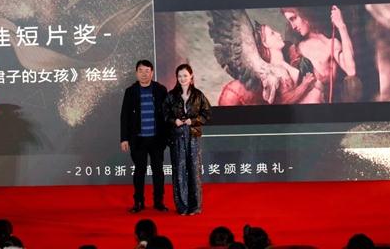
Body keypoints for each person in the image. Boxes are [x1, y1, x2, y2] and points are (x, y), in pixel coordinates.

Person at [218, 21, 316, 106]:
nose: (278, 34)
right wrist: (304, 85)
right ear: (265, 43)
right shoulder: (273, 72)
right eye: (272, 34)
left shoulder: (290, 60)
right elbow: (281, 103)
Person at [282, 6, 359, 103]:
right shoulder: (297, 48)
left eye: (293, 18)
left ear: (304, 13)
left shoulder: (331, 44)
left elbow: (351, 70)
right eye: (290, 21)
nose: (293, 26)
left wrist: (341, 27)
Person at [120, 60, 169, 213]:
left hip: (156, 139)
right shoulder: (130, 91)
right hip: (138, 139)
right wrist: (124, 138)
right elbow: (124, 116)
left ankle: (159, 202)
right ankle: (138, 202)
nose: (144, 74)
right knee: (139, 172)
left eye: (147, 71)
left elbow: (167, 115)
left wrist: (167, 136)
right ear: (136, 73)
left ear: (152, 73)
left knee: (158, 172)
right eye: (141, 70)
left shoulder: (161, 90)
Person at [163, 64, 211, 215]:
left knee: (194, 170)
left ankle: (195, 206)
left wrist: (194, 120)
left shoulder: (198, 95)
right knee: (179, 171)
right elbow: (164, 114)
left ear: (191, 76)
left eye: (185, 75)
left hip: (193, 136)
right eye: (180, 76)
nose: (182, 78)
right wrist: (174, 121)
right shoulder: (171, 96)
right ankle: (182, 207)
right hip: (177, 136)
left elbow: (206, 113)